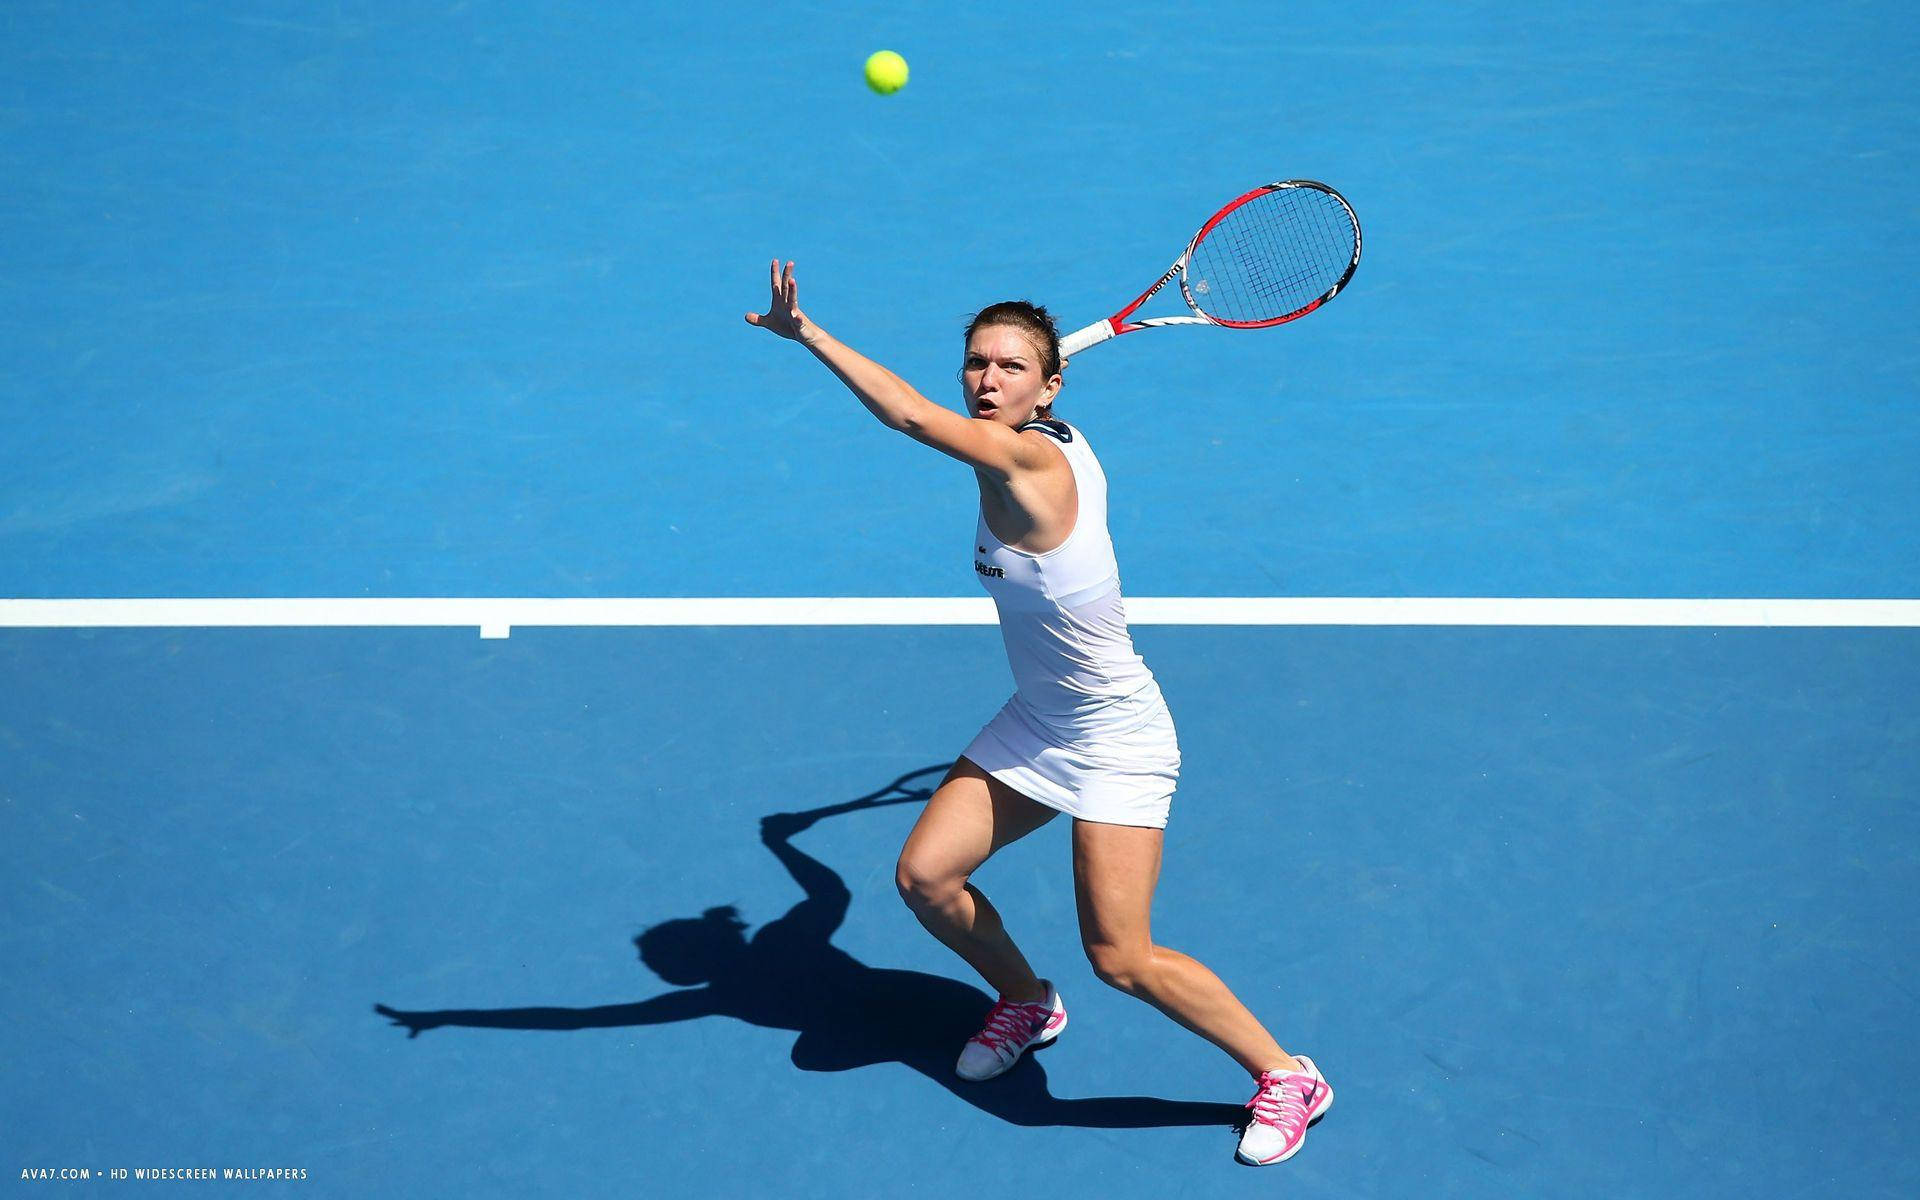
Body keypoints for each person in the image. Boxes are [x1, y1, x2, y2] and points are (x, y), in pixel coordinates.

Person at [745, 260, 1330, 1166]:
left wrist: (808, 334)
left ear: (1050, 384)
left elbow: (905, 415)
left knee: (1123, 956)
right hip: (1040, 718)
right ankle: (1026, 999)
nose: (987, 380)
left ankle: (1286, 1074)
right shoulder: (1042, 427)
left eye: (1011, 367)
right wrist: (789, 843)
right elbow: (815, 908)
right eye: (977, 363)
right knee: (927, 878)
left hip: (1117, 737)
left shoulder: (1030, 457)